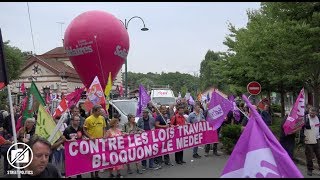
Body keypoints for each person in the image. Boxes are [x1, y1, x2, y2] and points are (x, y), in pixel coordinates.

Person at [83, 104, 106, 178]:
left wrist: (104, 135)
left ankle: (97, 174)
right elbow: (84, 130)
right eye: (99, 110)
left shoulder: (102, 118)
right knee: (92, 159)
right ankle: (92, 174)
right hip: (92, 142)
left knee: (98, 158)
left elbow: (104, 128)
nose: (101, 111)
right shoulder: (88, 119)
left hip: (100, 142)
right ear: (95, 111)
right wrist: (90, 137)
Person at [302, 107, 320, 176]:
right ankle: (310, 169)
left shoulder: (318, 118)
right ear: (309, 112)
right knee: (309, 156)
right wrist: (303, 138)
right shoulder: (305, 118)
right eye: (310, 113)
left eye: (313, 113)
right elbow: (301, 128)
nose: (312, 114)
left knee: (319, 155)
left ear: (316, 113)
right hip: (308, 140)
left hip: (317, 139)